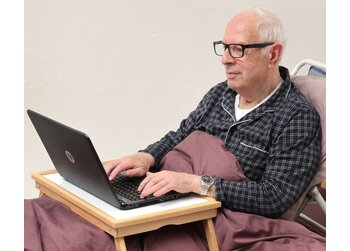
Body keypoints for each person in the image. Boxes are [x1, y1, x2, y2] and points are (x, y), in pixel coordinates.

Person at [104, 7, 321, 218]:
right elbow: (181, 135)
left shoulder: (296, 118)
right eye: (225, 47)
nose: (225, 59)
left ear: (273, 55)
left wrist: (194, 183)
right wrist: (145, 157)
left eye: (238, 49)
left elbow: (274, 197)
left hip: (216, 218)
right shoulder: (220, 94)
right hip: (169, 198)